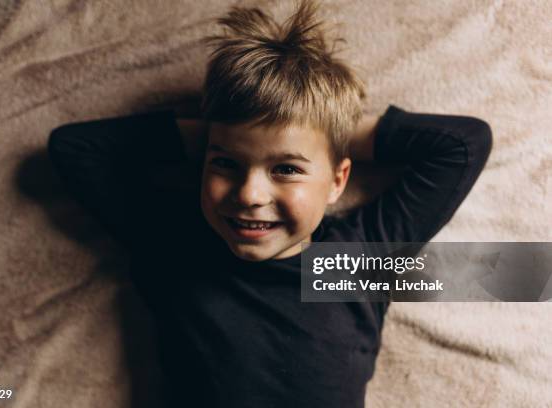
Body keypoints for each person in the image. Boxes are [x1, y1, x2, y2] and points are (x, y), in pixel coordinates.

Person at [47, 0, 493, 406]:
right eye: (225, 164)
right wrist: (223, 131)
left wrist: (320, 130)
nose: (248, 195)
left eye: (286, 169)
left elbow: (462, 145)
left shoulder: (356, 260)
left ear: (338, 180)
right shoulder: (177, 247)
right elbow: (76, 149)